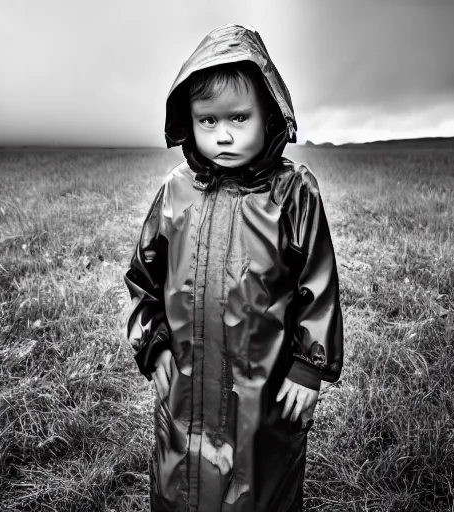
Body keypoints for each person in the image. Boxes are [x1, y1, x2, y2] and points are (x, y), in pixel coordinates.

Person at [124, 23, 343, 512]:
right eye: (207, 120)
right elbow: (144, 277)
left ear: (269, 114)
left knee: (258, 486)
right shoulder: (175, 192)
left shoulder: (293, 192)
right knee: (181, 480)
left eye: (239, 117)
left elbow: (318, 284)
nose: (222, 135)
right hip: (185, 383)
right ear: (189, 119)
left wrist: (309, 367)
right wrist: (152, 344)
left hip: (261, 390)